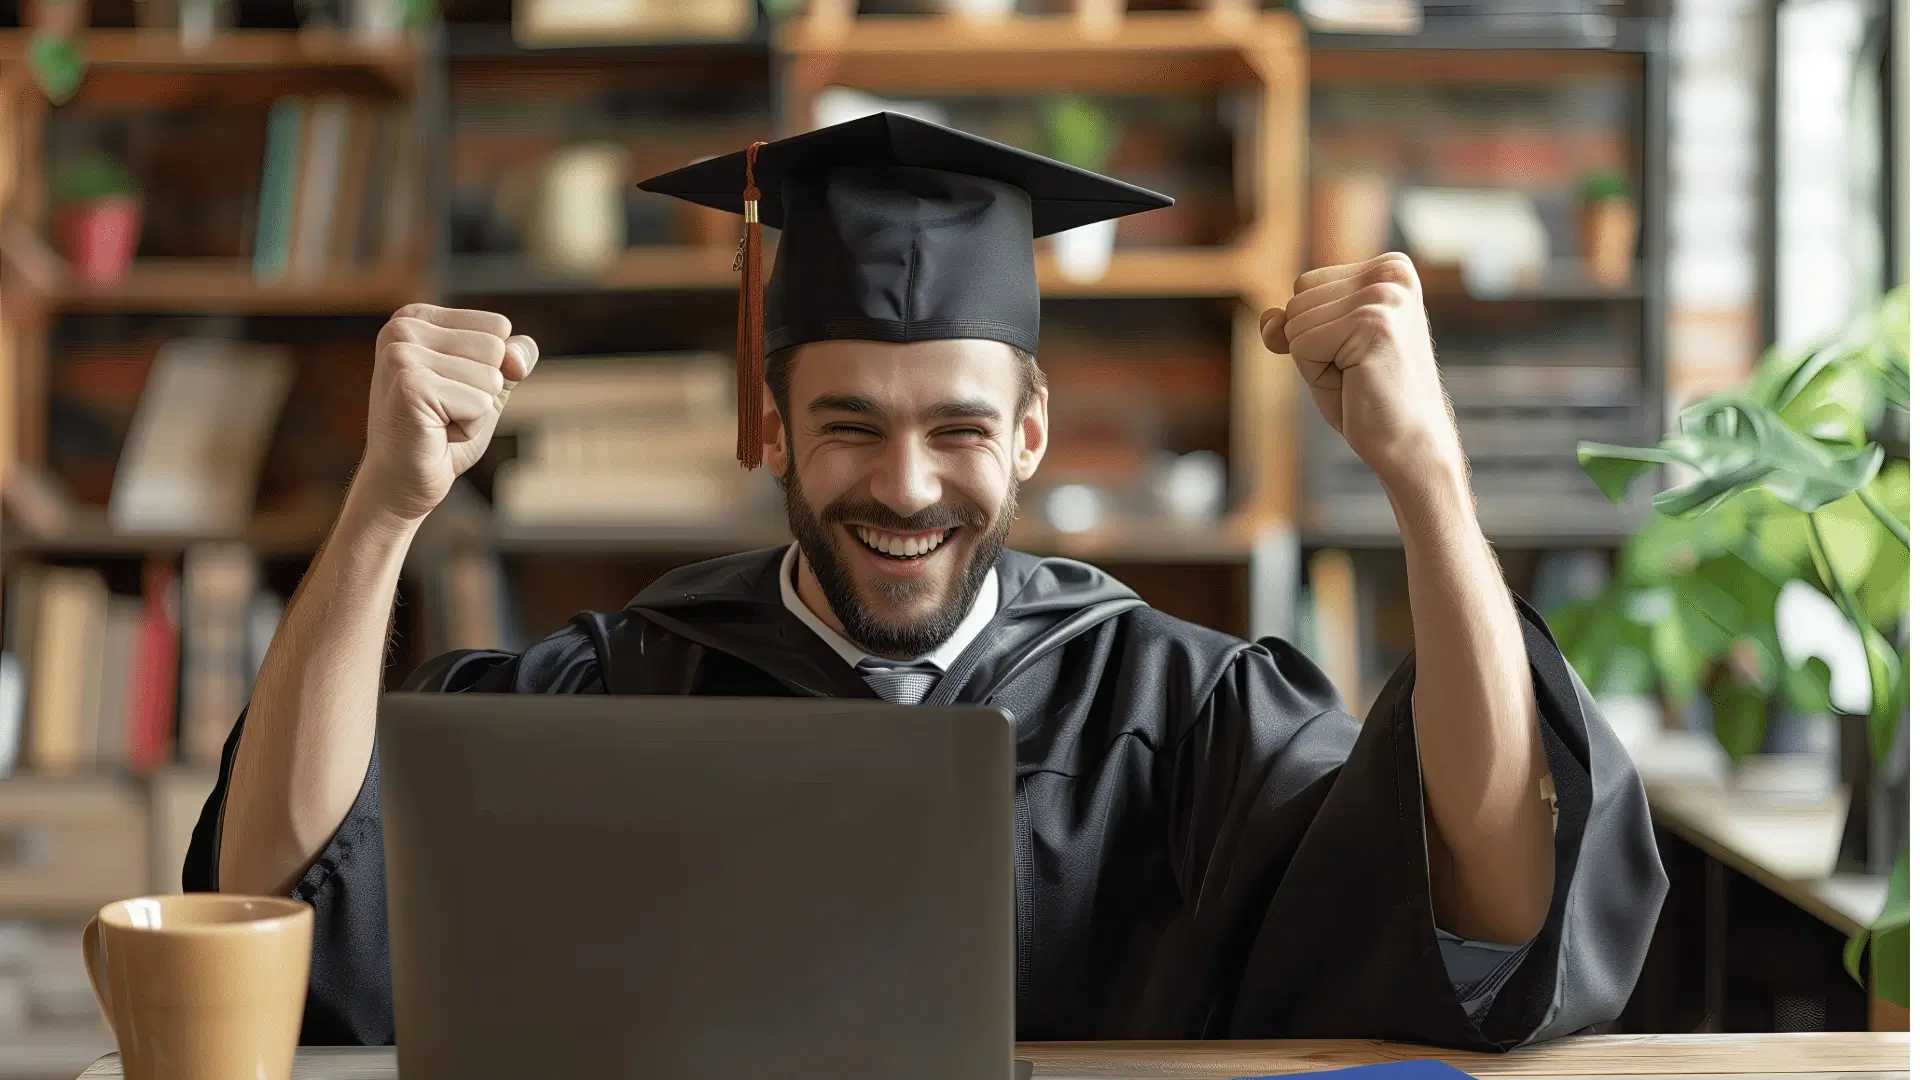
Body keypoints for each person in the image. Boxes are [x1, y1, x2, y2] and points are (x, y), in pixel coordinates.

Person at [185, 113, 1666, 1051]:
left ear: (1027, 435)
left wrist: (1425, 482)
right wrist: (384, 510)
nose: (905, 485)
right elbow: (276, 907)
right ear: (769, 426)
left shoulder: (1174, 706)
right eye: (849, 427)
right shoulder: (627, 684)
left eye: (959, 428)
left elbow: (1495, 889)